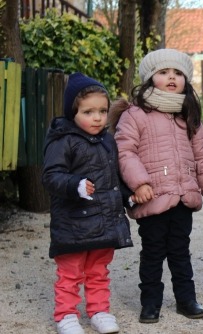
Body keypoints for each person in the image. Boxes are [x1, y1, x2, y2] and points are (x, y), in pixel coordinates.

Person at [111, 49, 203, 323]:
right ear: (150, 79)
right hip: (152, 197)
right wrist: (139, 183)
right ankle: (150, 303)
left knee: (180, 252)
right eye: (163, 72)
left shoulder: (189, 116)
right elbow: (125, 152)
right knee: (152, 254)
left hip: (183, 197)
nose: (171, 77)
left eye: (178, 73)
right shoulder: (135, 114)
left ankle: (186, 299)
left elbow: (202, 156)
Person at [42, 73, 134, 334]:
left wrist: (127, 197)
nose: (97, 117)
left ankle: (99, 310)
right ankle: (66, 315)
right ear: (73, 112)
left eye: (102, 111)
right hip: (73, 222)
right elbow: (51, 176)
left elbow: (114, 177)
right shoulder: (62, 140)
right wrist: (75, 185)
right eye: (88, 111)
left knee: (98, 271)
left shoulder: (107, 140)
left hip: (103, 222)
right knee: (70, 273)